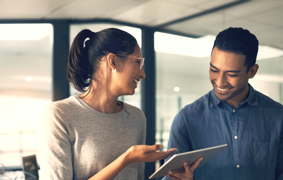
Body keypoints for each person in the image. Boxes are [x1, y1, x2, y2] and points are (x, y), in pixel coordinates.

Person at [39, 28, 180, 180]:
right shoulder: (59, 115)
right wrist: (125, 159)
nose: (143, 74)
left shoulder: (136, 117)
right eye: (138, 62)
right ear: (113, 61)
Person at [163, 27, 283, 180]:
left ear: (252, 71)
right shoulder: (186, 118)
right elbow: (171, 177)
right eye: (214, 70)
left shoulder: (278, 116)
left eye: (231, 74)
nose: (220, 81)